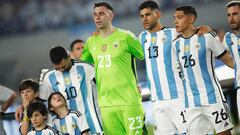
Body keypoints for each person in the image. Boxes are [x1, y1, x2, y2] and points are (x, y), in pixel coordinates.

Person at [138, 1, 211, 134]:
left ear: (158, 14)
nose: (144, 19)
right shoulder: (142, 38)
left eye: (148, 14)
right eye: (142, 16)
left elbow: (192, 33)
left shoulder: (174, 34)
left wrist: (203, 28)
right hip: (156, 100)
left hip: (178, 97)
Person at [80, 2, 145, 135]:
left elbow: (146, 56)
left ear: (111, 16)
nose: (97, 17)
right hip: (106, 105)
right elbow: (82, 65)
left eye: (102, 13)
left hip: (129, 101)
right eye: (95, 14)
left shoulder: (126, 37)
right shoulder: (90, 42)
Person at [172, 5, 234, 135]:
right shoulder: (175, 44)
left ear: (191, 19)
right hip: (191, 103)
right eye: (174, 18)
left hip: (212, 98)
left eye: (179, 17)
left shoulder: (207, 36)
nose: (175, 21)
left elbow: (229, 61)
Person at [40, 46, 103, 134]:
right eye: (58, 68)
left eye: (64, 66)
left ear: (69, 56)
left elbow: (104, 85)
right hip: (69, 129)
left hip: (91, 123)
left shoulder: (86, 68)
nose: (61, 70)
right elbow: (42, 101)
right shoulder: (49, 77)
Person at [223, 1, 240, 120]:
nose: (231, 18)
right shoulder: (228, 38)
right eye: (229, 15)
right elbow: (222, 56)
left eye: (235, 14)